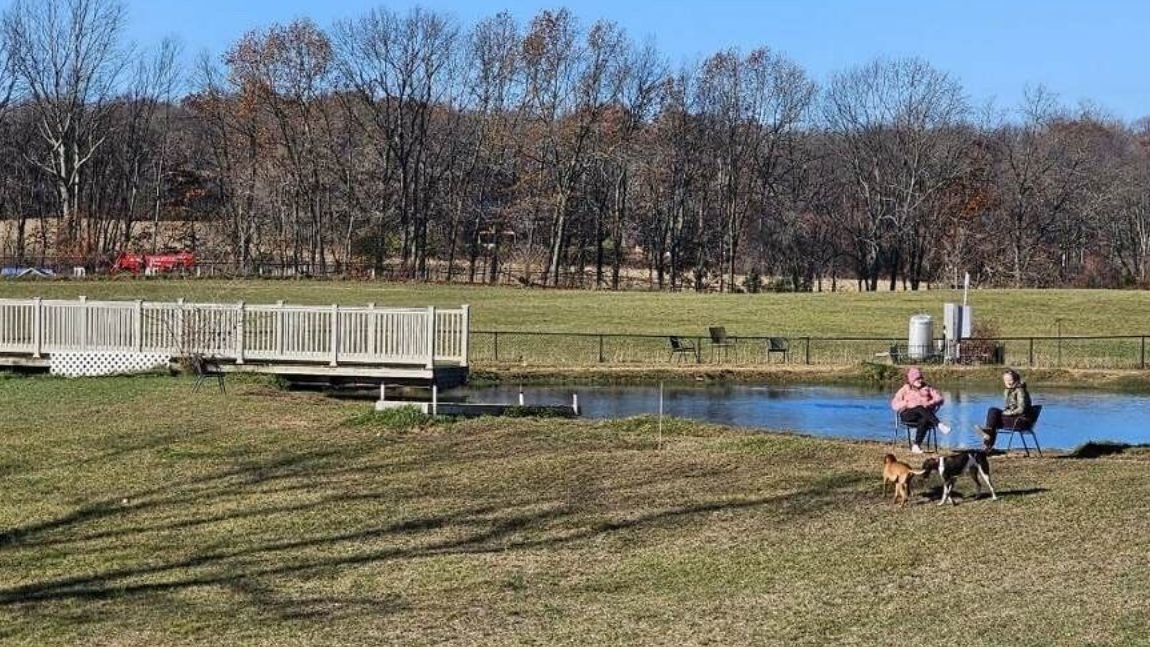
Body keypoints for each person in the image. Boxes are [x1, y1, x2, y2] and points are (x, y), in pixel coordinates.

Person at [890, 367, 950, 454]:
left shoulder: (927, 388)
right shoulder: (905, 389)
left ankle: (916, 445)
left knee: (924, 417)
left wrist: (929, 403)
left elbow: (940, 399)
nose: (920, 380)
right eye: (917, 379)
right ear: (912, 380)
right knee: (919, 407)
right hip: (907, 414)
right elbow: (894, 404)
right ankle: (939, 424)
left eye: (921, 378)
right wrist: (907, 403)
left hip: (924, 415)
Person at [976, 369, 1033, 450]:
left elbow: (1021, 409)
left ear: (1016, 379)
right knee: (993, 412)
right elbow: (1008, 407)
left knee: (994, 416)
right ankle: (988, 441)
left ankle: (988, 443)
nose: (1008, 382)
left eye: (1010, 380)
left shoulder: (1020, 391)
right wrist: (1005, 412)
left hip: (1022, 421)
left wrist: (1007, 413)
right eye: (1006, 380)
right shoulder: (1008, 391)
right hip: (1014, 418)